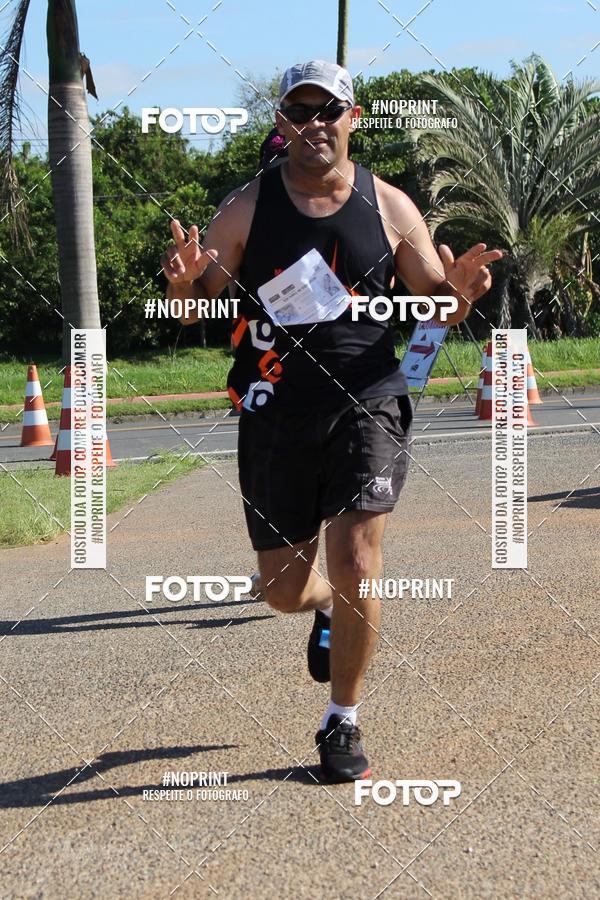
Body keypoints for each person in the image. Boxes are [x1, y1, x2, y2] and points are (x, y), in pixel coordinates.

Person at [161, 60, 502, 783]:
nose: (313, 124)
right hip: (275, 408)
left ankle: (341, 719)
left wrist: (460, 297)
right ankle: (323, 608)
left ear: (353, 118)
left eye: (328, 111)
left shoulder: (390, 206)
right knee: (283, 590)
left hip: (367, 400)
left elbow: (435, 306)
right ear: (280, 123)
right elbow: (196, 307)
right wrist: (184, 286)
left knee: (357, 561)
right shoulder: (248, 206)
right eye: (299, 112)